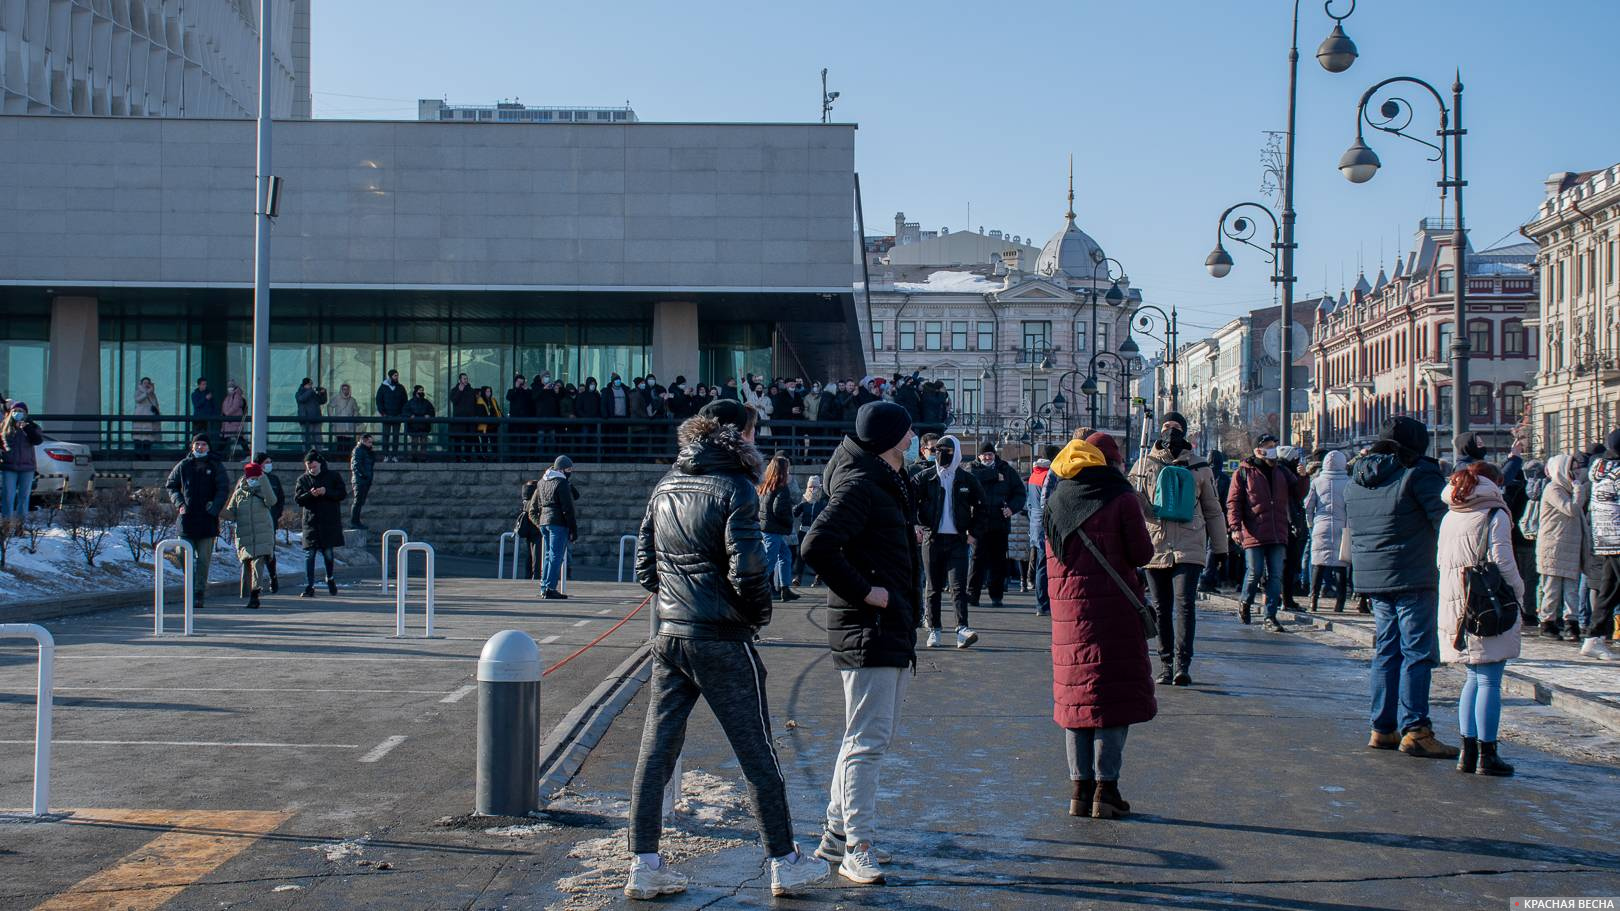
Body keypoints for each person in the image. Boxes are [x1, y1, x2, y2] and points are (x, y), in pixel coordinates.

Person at [624, 398, 827, 901]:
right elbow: (750, 568)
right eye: (754, 432)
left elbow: (645, 568)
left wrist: (675, 601)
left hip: (670, 634)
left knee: (656, 751)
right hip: (719, 636)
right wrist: (754, 615)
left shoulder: (665, 484)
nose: (757, 441)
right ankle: (784, 860)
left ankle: (644, 864)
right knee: (758, 753)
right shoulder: (735, 486)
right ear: (737, 435)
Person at [799, 401, 917, 885]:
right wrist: (868, 591)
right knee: (867, 741)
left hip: (883, 627)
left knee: (863, 738)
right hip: (869, 627)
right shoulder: (862, 485)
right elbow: (815, 545)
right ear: (890, 438)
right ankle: (857, 847)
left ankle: (835, 838)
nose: (913, 439)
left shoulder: (880, 481)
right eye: (907, 433)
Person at [1043, 431, 1156, 819]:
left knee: (1077, 701)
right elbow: (1142, 553)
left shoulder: (1057, 499)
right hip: (1115, 613)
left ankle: (1079, 791)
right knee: (1112, 701)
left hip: (1069, 617)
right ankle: (1106, 792)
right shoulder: (1121, 497)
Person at [1345, 416, 1457, 759]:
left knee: (1386, 651)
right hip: (1413, 574)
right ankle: (1417, 729)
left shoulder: (1358, 477)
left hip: (1374, 576)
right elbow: (1444, 522)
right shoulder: (1418, 473)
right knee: (1418, 653)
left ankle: (1382, 727)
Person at [1437, 461, 1523, 777]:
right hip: (1487, 604)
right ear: (1494, 484)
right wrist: (1519, 591)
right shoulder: (1494, 514)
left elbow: (1440, 561)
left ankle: (1467, 752)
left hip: (1456, 604)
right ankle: (1488, 754)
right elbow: (1503, 560)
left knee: (1472, 678)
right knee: (1489, 679)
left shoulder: (1450, 515)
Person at [1128, 425, 1226, 686]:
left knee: (1184, 605)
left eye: (1176, 429)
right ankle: (1166, 664)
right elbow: (1130, 507)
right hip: (1156, 546)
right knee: (1161, 608)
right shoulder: (1143, 464)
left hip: (1189, 545)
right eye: (1166, 428)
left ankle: (1183, 664)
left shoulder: (1199, 466)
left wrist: (1220, 548)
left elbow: (1213, 509)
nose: (1171, 434)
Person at [912, 434, 984, 649]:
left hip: (958, 540)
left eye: (948, 451)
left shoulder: (967, 479)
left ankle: (962, 628)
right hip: (932, 538)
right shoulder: (925, 477)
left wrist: (974, 533)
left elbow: (982, 506)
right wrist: (916, 526)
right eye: (938, 450)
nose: (942, 455)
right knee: (932, 586)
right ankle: (934, 629)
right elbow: (909, 502)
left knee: (958, 586)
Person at [1226, 433, 1298, 632]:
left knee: (1275, 575)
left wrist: (1302, 475)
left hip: (1277, 530)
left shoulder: (1282, 470)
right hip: (1254, 530)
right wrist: (1235, 527)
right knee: (1254, 572)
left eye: (1274, 445)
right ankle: (1245, 602)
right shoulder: (1244, 472)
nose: (1272, 449)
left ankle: (1270, 616)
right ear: (1258, 449)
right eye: (1268, 445)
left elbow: (1299, 492)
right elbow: (1234, 502)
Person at [165, 434, 229, 609]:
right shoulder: (183, 465)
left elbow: (223, 489)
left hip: (207, 520)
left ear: (208, 447)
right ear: (192, 446)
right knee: (182, 554)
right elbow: (171, 485)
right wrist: (180, 503)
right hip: (186, 520)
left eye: (203, 444)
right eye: (197, 444)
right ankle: (191, 586)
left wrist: (214, 508)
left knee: (203, 560)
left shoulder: (215, 465)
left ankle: (199, 592)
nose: (200, 447)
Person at [965, 442, 1027, 608]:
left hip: (999, 523)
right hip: (978, 523)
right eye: (984, 455)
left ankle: (997, 596)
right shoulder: (971, 467)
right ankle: (972, 595)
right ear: (979, 456)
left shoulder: (1006, 470)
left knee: (998, 561)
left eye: (990, 454)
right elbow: (970, 478)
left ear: (994, 455)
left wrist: (1012, 508)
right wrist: (993, 475)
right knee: (977, 560)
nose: (987, 457)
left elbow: (1020, 493)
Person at [1536, 454, 1586, 642]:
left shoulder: (1569, 488)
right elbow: (1571, 509)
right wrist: (1578, 488)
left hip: (1571, 547)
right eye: (1571, 469)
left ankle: (1571, 623)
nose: (1575, 472)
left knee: (1571, 589)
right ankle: (1547, 622)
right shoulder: (1553, 489)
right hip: (1554, 547)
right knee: (1552, 588)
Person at [1581, 431, 1620, 660]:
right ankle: (1594, 636)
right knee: (1610, 590)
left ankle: (1594, 637)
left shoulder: (1600, 469)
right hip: (1617, 536)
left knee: (1609, 588)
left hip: (1604, 537)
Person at [222, 461, 276, 609]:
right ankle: (248, 593)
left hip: (262, 533)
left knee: (258, 563)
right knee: (247, 565)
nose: (253, 480)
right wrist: (217, 508)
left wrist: (263, 479)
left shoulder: (264, 490)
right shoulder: (239, 493)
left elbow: (272, 501)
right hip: (245, 535)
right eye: (250, 477)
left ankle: (255, 594)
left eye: (255, 477)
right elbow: (231, 514)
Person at [294, 450, 347, 598]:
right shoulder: (303, 479)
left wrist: (326, 491)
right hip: (311, 523)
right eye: (309, 467)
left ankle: (330, 578)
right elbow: (298, 499)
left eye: (314, 466)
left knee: (328, 554)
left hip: (329, 522)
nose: (311, 469)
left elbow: (341, 494)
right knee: (309, 555)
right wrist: (310, 494)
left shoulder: (333, 476)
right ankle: (309, 585)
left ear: (320, 464)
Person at [1304, 449, 1351, 613]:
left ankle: (1313, 600)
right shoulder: (1349, 482)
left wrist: (1311, 523)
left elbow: (1308, 505)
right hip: (1342, 526)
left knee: (1318, 564)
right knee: (1341, 565)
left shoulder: (1317, 481)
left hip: (1321, 526)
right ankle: (1340, 603)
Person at [528, 455, 579, 599]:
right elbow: (567, 508)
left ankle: (544, 586)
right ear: (561, 470)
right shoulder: (561, 483)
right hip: (558, 523)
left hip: (544, 521)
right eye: (568, 469)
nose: (570, 472)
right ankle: (550, 588)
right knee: (556, 557)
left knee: (548, 555)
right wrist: (573, 530)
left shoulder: (542, 481)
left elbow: (535, 506)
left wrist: (540, 522)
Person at [756, 455, 800, 602]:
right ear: (783, 470)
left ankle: (785, 589)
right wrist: (789, 521)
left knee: (784, 556)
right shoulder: (781, 487)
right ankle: (757, 590)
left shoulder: (765, 485)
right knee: (770, 560)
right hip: (773, 530)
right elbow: (779, 509)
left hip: (767, 528)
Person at [1028, 444, 1060, 617]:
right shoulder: (1050, 475)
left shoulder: (1035, 474)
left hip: (1034, 522)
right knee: (1044, 565)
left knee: (1040, 562)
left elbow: (1030, 502)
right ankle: (1043, 604)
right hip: (1044, 522)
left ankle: (1041, 603)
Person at [1, 403, 44, 519]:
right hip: (8, 467)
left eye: (20, 410)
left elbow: (38, 440)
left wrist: (26, 428)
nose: (17, 413)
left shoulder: (32, 426)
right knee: (8, 497)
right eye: (15, 410)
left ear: (25, 413)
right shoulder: (4, 426)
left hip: (27, 468)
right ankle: (6, 524)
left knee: (24, 497)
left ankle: (21, 525)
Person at [255, 450, 286, 593]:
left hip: (270, 522)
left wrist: (277, 514)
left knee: (269, 552)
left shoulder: (274, 479)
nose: (269, 465)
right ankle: (255, 584)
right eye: (266, 462)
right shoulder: (250, 479)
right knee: (255, 554)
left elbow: (280, 498)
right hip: (255, 522)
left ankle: (273, 577)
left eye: (270, 462)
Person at [792, 475, 827, 587]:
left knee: (818, 555)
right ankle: (798, 577)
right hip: (804, 530)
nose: (812, 489)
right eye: (810, 487)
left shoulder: (822, 501)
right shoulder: (805, 500)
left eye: (815, 487)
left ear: (819, 487)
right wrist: (800, 504)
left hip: (817, 532)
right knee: (800, 555)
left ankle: (818, 577)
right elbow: (795, 513)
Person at [375, 369, 407, 461]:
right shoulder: (383, 388)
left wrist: (401, 413)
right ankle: (385, 455)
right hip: (386, 416)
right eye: (395, 376)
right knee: (386, 436)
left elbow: (405, 402)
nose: (396, 377)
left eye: (397, 375)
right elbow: (379, 401)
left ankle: (394, 456)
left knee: (396, 436)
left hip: (397, 416)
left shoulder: (401, 388)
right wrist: (383, 413)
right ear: (390, 377)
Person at [349, 433, 375, 530]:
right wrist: (365, 476)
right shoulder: (358, 450)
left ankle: (356, 521)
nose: (371, 444)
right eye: (369, 442)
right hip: (360, 480)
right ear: (363, 441)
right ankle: (354, 522)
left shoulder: (366, 451)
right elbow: (356, 466)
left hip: (365, 479)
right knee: (358, 501)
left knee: (360, 501)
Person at [449, 373, 478, 458]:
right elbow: (454, 401)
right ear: (459, 380)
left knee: (469, 440)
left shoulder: (471, 391)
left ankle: (467, 457)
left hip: (470, 420)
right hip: (459, 420)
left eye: (466, 378)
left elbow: (475, 404)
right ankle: (458, 458)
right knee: (458, 440)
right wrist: (460, 391)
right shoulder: (454, 390)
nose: (466, 380)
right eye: (464, 379)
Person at [296, 377, 327, 451]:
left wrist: (323, 393)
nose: (311, 386)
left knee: (318, 439)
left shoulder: (313, 393)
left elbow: (322, 401)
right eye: (309, 384)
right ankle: (306, 455)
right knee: (306, 439)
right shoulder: (299, 393)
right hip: (306, 420)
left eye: (311, 384)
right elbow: (301, 399)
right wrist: (311, 391)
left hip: (316, 419)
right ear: (305, 385)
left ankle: (319, 454)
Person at [328, 383, 360, 454]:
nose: (345, 391)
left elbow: (356, 410)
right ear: (341, 390)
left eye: (347, 389)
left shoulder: (352, 400)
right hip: (339, 423)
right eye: (344, 389)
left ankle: (346, 456)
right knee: (340, 440)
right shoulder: (336, 399)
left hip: (349, 424)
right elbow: (330, 406)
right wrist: (332, 418)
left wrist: (354, 418)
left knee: (348, 440)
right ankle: (339, 456)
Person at [133, 377, 161, 455]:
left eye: (148, 383)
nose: (146, 385)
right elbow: (138, 399)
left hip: (149, 417)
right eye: (144, 383)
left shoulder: (152, 394)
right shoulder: (138, 392)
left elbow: (155, 404)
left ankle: (146, 454)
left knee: (148, 437)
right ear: (141, 384)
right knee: (138, 436)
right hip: (139, 416)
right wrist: (147, 393)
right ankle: (137, 454)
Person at [220, 380, 246, 459]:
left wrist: (227, 413)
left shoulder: (236, 395)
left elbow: (235, 406)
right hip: (228, 422)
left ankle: (217, 454)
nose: (229, 388)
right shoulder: (229, 396)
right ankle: (218, 454)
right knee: (227, 438)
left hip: (233, 421)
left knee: (236, 438)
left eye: (231, 387)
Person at [190, 377, 217, 442]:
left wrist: (213, 415)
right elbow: (197, 405)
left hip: (207, 419)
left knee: (208, 436)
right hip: (198, 419)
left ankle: (207, 450)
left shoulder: (209, 393)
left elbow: (213, 406)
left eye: (205, 384)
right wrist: (205, 398)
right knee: (195, 435)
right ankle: (192, 449)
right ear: (199, 385)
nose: (205, 386)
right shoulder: (194, 394)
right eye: (203, 384)